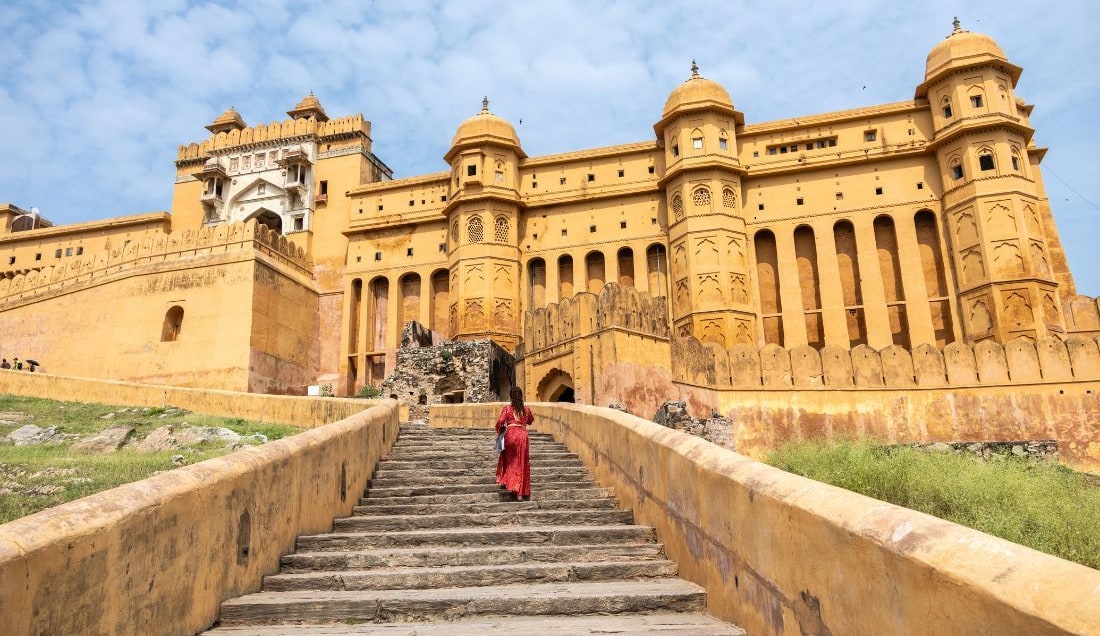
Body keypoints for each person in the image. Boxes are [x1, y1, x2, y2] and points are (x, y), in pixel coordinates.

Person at [495, 387, 533, 501]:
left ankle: (508, 482)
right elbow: (530, 420)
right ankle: (519, 493)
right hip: (522, 435)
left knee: (509, 461)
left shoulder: (507, 409)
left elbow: (500, 422)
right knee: (521, 463)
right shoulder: (526, 409)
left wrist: (500, 433)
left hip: (510, 435)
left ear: (511, 396)